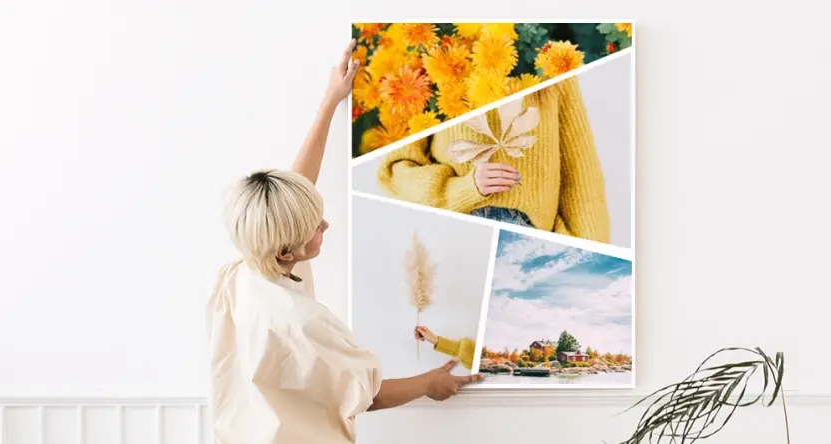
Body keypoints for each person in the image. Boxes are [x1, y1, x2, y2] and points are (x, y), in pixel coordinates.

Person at [205, 39, 482, 444]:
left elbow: (296, 189)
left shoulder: (245, 271)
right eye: (316, 227)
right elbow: (369, 395)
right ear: (287, 250)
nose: (327, 226)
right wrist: (429, 383)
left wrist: (331, 101)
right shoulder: (301, 323)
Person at [375, 76, 611, 244]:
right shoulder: (433, 66)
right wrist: (462, 189)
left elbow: (581, 174)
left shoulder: (553, 60)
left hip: (530, 236)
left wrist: (591, 253)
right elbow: (396, 173)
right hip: (455, 229)